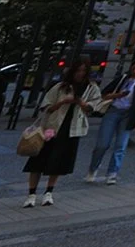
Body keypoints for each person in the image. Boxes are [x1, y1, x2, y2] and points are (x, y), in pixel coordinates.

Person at [23, 57, 103, 206]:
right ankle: (31, 194)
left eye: (83, 71)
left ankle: (49, 192)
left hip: (72, 128)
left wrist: (82, 103)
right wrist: (62, 102)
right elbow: (46, 107)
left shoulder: (91, 88)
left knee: (58, 162)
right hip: (52, 127)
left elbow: (94, 107)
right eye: (78, 70)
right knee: (38, 160)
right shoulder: (61, 86)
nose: (80, 74)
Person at [87, 58, 135, 183]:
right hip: (114, 110)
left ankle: (112, 172)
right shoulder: (123, 79)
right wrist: (118, 95)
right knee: (102, 144)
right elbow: (104, 95)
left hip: (129, 114)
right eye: (133, 68)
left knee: (120, 145)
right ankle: (93, 168)